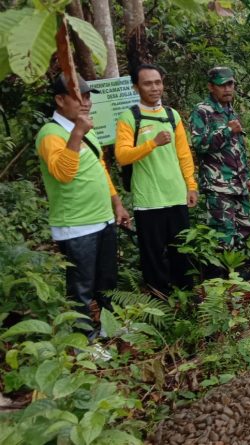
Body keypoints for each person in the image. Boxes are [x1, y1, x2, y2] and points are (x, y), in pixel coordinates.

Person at [36, 73, 131, 329]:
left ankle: (110, 333)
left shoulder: (85, 128)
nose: (86, 103)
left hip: (103, 219)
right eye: (80, 97)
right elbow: (63, 174)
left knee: (107, 284)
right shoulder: (50, 134)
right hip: (77, 226)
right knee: (81, 291)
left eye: (88, 97)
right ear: (60, 100)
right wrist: (78, 132)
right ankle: (83, 342)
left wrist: (117, 204)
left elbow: (101, 167)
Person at [115, 64, 197, 295]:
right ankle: (160, 300)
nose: (154, 88)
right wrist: (152, 144)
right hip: (148, 199)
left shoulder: (172, 115)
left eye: (158, 82)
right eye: (148, 83)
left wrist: (191, 185)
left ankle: (187, 296)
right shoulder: (129, 117)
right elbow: (122, 156)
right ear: (136, 87)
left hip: (176, 196)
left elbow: (184, 154)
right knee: (153, 256)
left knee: (182, 251)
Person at [190, 67, 250, 258]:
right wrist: (227, 131)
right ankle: (224, 272)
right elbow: (199, 144)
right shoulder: (202, 111)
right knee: (223, 233)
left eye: (230, 84)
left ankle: (241, 267)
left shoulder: (230, 110)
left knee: (243, 228)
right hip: (218, 185)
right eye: (222, 85)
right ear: (211, 87)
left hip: (239, 183)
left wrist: (247, 176)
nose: (227, 89)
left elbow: (239, 147)